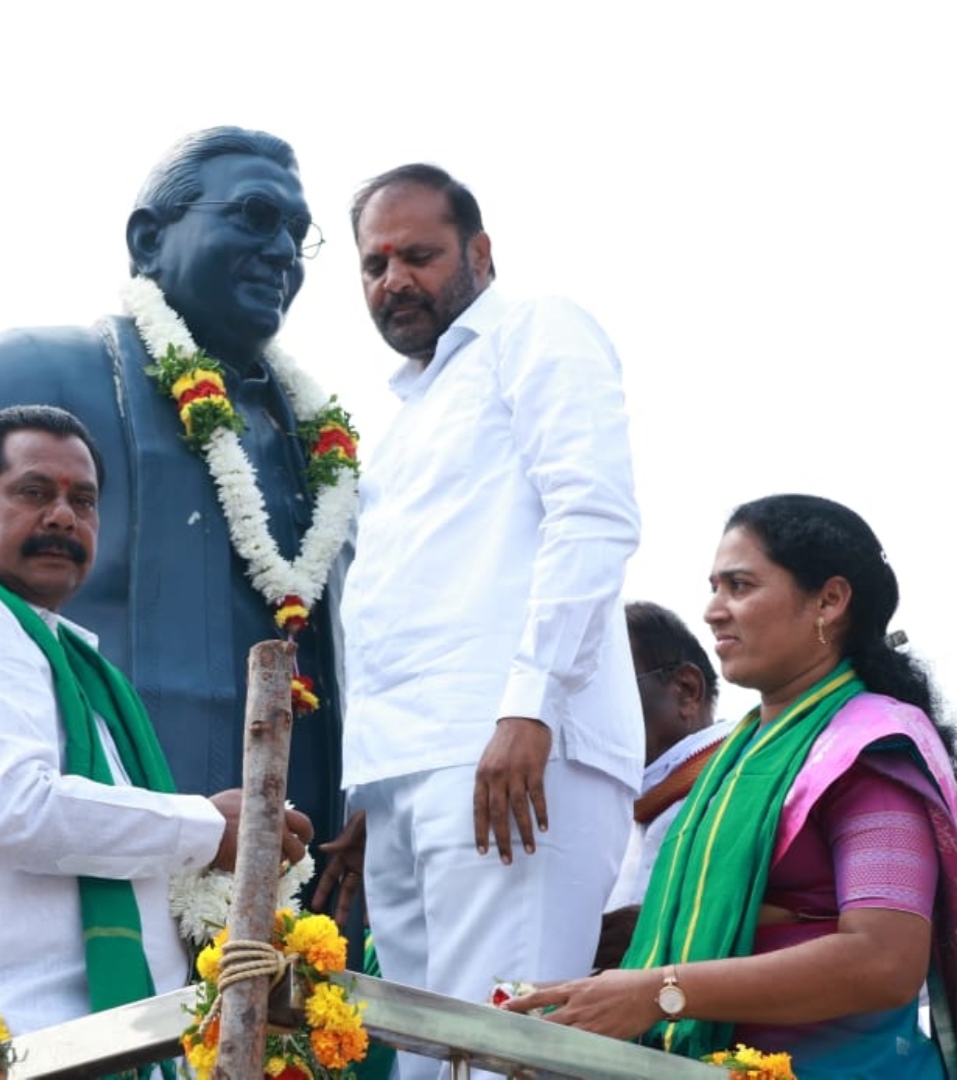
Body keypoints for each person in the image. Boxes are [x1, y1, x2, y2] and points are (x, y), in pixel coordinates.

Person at [0, 126, 352, 857]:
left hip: (303, 869)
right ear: (147, 240)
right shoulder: (41, 372)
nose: (284, 251)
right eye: (257, 217)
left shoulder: (319, 444)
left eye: (299, 232)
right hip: (69, 849)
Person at [0, 405, 312, 1077]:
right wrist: (208, 828)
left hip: (85, 1047)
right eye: (34, 492)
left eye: (84, 502)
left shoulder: (67, 660)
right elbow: (14, 812)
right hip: (6, 1046)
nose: (63, 517)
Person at [508, 494, 957, 1079]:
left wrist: (659, 992)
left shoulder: (865, 749)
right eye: (714, 587)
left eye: (740, 587)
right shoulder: (735, 758)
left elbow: (885, 959)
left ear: (830, 600)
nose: (713, 611)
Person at [334, 162, 642, 1077]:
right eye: (374, 264)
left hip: (514, 753)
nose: (394, 280)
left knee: (501, 1049)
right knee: (426, 1059)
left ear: (480, 252)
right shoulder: (406, 411)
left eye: (419, 256)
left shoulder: (536, 330)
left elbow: (593, 517)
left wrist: (530, 706)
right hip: (409, 771)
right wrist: (373, 786)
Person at [598, 601, 736, 968]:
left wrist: (663, 931)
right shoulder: (620, 802)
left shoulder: (743, 783)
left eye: (604, 693)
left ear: (686, 691)